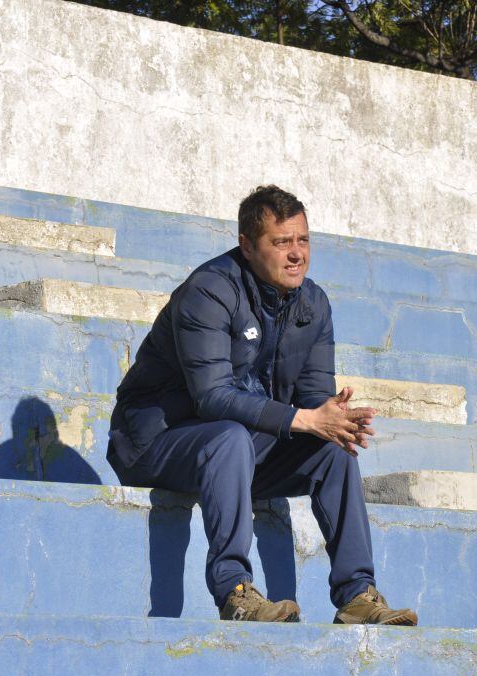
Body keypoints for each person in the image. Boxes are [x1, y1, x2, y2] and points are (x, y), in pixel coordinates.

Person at [106, 185, 417, 626]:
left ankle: (357, 596)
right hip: (157, 441)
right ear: (248, 246)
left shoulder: (313, 303)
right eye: (281, 242)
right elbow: (211, 396)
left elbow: (310, 399)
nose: (297, 254)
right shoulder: (209, 291)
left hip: (239, 453)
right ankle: (236, 593)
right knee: (228, 437)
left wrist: (333, 418)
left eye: (303, 240)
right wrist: (303, 417)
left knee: (333, 451)